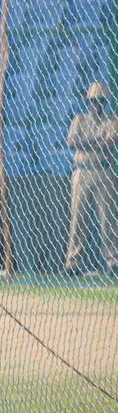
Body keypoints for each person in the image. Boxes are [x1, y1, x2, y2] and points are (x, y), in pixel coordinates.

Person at [64, 81, 118, 275]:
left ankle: (112, 261)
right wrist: (95, 141)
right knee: (78, 217)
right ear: (89, 102)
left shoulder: (112, 120)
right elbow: (71, 142)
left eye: (100, 101)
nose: (97, 104)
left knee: (108, 218)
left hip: (104, 172)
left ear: (105, 102)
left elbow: (109, 143)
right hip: (82, 171)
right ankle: (72, 263)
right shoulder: (79, 119)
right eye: (94, 101)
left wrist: (84, 143)